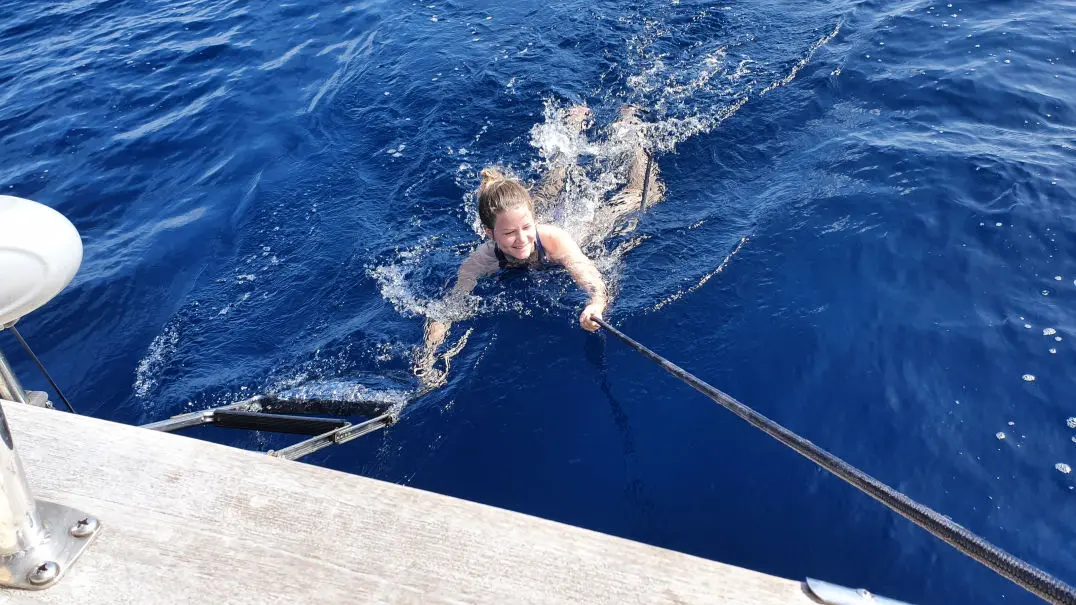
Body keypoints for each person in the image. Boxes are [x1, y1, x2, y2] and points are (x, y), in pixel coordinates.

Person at [415, 105, 662, 384]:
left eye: (525, 228)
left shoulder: (553, 238)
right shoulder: (480, 260)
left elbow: (589, 274)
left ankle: (630, 131)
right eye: (508, 234)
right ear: (489, 233)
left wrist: (596, 302)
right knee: (553, 179)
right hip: (525, 216)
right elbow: (446, 311)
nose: (521, 239)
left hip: (575, 226)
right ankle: (572, 126)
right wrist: (429, 356)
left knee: (643, 196)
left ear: (532, 219)